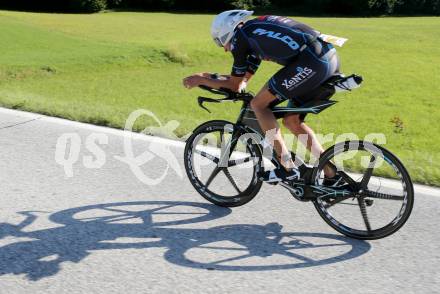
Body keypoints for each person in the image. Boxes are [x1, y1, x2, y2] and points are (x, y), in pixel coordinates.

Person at [183, 10, 340, 183]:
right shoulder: (252, 31)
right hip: (327, 58)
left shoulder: (240, 38)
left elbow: (234, 85)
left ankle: (287, 167)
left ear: (226, 31)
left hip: (311, 62)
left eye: (220, 43)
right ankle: (331, 173)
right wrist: (211, 78)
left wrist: (199, 79)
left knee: (258, 105)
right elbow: (241, 81)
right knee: (292, 120)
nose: (225, 49)